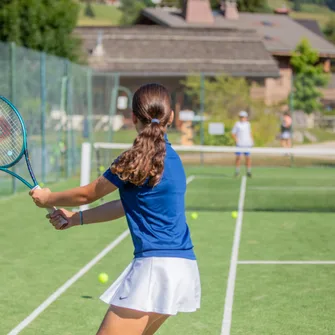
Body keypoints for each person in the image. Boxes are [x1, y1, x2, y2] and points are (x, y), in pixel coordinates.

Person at [30, 83, 201, 335]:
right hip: (182, 268)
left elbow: (88, 193)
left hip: (155, 268)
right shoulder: (171, 159)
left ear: (132, 117)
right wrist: (76, 219)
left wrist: (48, 197)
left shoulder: (134, 159)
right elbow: (127, 204)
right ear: (171, 117)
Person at [231, 111, 253, 178]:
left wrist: (252, 140)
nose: (243, 118)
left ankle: (248, 171)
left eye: (244, 117)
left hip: (247, 144)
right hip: (239, 144)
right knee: (238, 158)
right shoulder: (237, 124)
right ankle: (237, 171)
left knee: (248, 158)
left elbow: (250, 133)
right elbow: (233, 133)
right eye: (241, 117)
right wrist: (236, 140)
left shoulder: (248, 124)